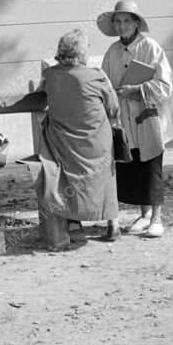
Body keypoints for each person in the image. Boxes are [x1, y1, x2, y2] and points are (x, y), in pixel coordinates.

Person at [25, 29, 120, 250]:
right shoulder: (96, 76)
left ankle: (74, 224)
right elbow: (113, 109)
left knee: (67, 178)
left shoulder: (50, 75)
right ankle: (113, 222)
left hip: (65, 142)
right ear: (81, 53)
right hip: (96, 141)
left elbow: (42, 97)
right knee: (106, 175)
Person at [98, 0, 173, 238]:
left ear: (136, 23)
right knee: (134, 164)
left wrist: (137, 90)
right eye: (118, 21)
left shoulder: (151, 47)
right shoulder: (112, 52)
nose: (122, 26)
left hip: (148, 116)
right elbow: (105, 84)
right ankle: (144, 214)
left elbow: (165, 84)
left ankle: (158, 218)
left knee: (152, 165)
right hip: (124, 119)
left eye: (126, 21)